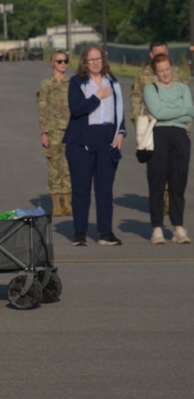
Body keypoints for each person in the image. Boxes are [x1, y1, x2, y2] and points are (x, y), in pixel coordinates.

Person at [63, 44, 125, 247]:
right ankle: (80, 232)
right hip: (81, 140)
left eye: (99, 58)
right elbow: (76, 109)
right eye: (92, 59)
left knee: (105, 189)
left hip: (107, 138)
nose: (96, 62)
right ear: (85, 62)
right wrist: (97, 97)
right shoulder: (77, 82)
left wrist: (121, 133)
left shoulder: (113, 82)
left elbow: (120, 110)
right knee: (81, 189)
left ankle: (106, 232)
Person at [142, 53, 193, 244]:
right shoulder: (150, 88)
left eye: (167, 69)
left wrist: (169, 113)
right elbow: (158, 112)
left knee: (178, 182)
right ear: (156, 72)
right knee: (157, 181)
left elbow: (190, 114)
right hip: (158, 136)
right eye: (161, 70)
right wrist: (181, 111)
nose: (165, 73)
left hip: (180, 136)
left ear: (172, 67)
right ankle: (157, 228)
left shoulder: (182, 88)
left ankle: (178, 226)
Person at [37, 50, 72, 217]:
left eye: (65, 61)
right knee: (54, 167)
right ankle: (56, 204)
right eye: (59, 61)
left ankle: (67, 202)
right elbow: (42, 109)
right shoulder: (46, 84)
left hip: (71, 131)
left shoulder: (73, 83)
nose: (63, 64)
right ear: (52, 64)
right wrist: (43, 132)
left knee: (69, 167)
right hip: (53, 130)